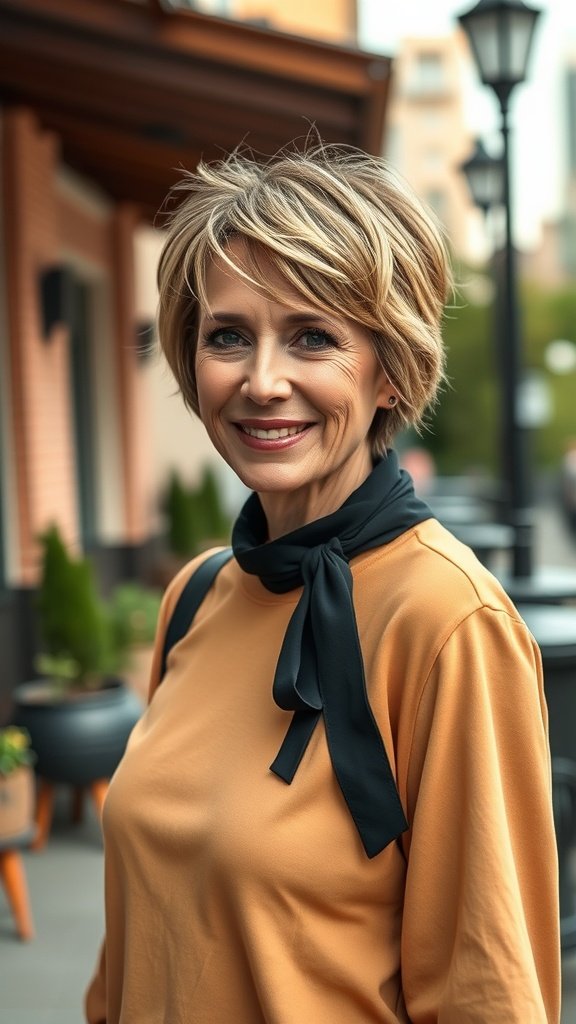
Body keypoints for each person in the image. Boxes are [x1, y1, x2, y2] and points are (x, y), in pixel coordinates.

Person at [85, 142, 560, 1023]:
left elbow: (486, 992)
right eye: (228, 336)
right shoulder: (197, 595)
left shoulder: (450, 623)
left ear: (388, 370)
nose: (263, 382)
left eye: (313, 336)